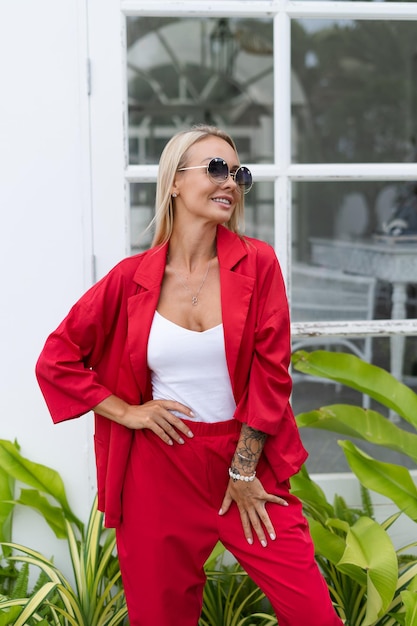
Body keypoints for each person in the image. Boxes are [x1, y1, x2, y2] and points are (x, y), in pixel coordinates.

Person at [36, 125, 343, 626]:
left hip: (245, 461)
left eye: (238, 174)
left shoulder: (258, 264)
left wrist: (243, 471)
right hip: (159, 472)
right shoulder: (129, 278)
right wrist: (127, 412)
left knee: (312, 613)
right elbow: (57, 359)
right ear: (174, 182)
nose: (231, 183)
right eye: (216, 169)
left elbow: (272, 376)